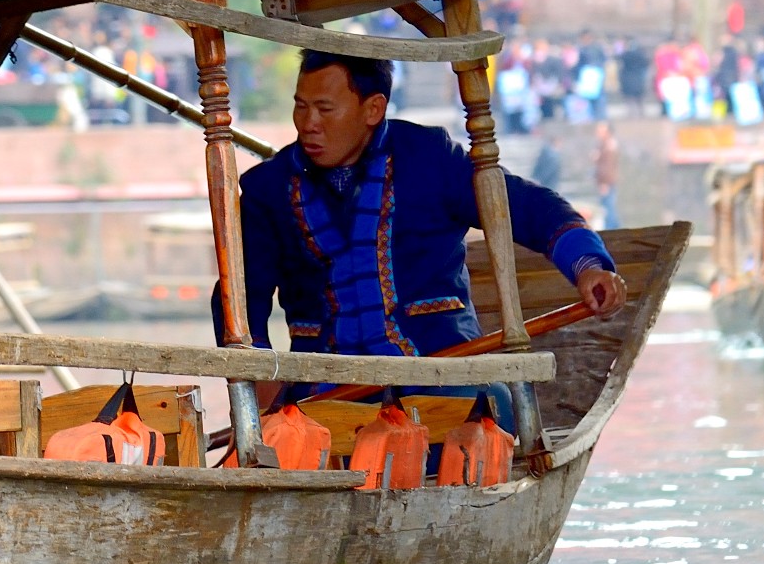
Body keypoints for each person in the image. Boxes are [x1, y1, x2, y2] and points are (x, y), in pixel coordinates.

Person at [218, 52, 626, 413]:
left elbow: (525, 207)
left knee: (484, 417)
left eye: (325, 109)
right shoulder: (266, 191)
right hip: (322, 395)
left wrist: (588, 266)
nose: (308, 124)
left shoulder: (429, 159)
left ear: (373, 108)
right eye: (301, 107)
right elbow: (239, 293)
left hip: (442, 380)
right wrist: (259, 373)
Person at [593, 121, 620, 231]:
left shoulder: (609, 146)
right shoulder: (605, 145)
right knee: (608, 207)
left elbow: (607, 166)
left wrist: (604, 183)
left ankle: (612, 230)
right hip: (606, 181)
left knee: (608, 208)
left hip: (607, 182)